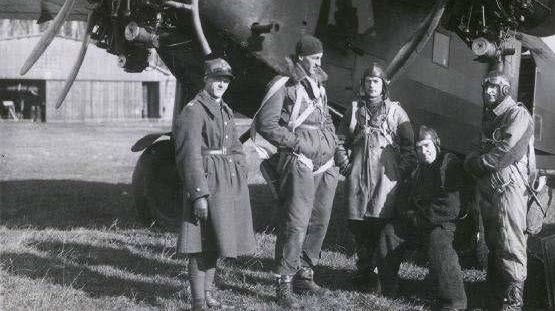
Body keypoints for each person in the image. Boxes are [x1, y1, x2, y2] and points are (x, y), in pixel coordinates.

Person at [253, 35, 339, 309]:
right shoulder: (283, 83)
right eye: (314, 58)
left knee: (320, 219)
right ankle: (284, 281)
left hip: (325, 163)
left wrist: (334, 146)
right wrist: (297, 143)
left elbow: (326, 118)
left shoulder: (318, 84)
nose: (319, 62)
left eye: (320, 58)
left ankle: (305, 273)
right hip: (299, 158)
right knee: (296, 222)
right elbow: (266, 124)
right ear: (301, 56)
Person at [174, 57, 256, 311]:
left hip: (227, 183)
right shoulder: (193, 110)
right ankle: (198, 300)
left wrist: (240, 169)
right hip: (207, 181)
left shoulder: (225, 110)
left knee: (215, 240)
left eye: (225, 80)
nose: (221, 84)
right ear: (205, 79)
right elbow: (189, 156)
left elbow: (234, 147)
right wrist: (198, 194)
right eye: (216, 78)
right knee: (199, 243)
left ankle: (208, 293)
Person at [335, 63, 415, 292]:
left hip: (385, 181)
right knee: (359, 227)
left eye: (376, 81)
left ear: (384, 86)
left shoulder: (396, 112)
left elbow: (410, 149)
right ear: (363, 84)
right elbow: (340, 141)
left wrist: (398, 172)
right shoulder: (353, 110)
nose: (372, 85)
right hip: (358, 178)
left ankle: (382, 275)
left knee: (381, 225)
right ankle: (363, 271)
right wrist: (346, 165)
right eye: (368, 81)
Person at [464, 70, 535, 311]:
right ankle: (495, 297)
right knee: (494, 241)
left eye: (493, 87)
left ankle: (513, 302)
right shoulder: (489, 117)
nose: (488, 91)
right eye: (485, 87)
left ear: (505, 89)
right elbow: (475, 147)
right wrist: (472, 160)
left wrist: (478, 163)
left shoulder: (518, 114)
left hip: (508, 187)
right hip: (490, 186)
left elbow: (508, 149)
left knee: (511, 240)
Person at [377, 126, 468, 309]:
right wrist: (410, 216)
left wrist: (419, 218)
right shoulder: (416, 169)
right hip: (417, 222)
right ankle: (388, 287)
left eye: (426, 145)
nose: (423, 151)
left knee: (438, 241)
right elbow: (402, 197)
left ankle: (454, 302)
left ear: (436, 144)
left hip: (443, 225)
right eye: (418, 148)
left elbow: (450, 205)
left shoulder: (449, 164)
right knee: (390, 233)